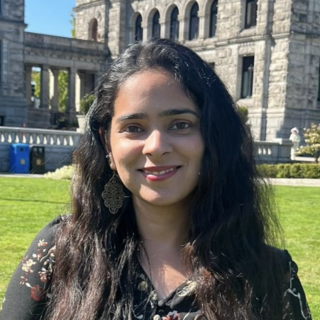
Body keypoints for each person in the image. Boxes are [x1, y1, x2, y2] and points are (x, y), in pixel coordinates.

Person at [0, 39, 312, 320]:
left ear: (212, 136)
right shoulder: (59, 252)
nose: (156, 147)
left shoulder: (271, 276)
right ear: (108, 144)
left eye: (180, 124)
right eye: (134, 128)